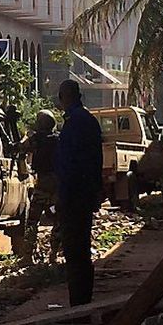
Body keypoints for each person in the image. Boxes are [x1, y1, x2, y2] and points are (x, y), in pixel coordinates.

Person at [55, 79, 103, 311]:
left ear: (64, 97)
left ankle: (79, 304)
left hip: (74, 196)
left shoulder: (75, 123)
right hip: (83, 195)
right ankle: (83, 300)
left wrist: (63, 196)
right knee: (81, 250)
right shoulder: (88, 121)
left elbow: (71, 166)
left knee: (75, 252)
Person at [18, 109, 61, 264]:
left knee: (33, 220)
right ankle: (53, 254)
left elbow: (20, 148)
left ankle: (28, 256)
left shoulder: (36, 139)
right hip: (58, 185)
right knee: (58, 220)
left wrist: (26, 135)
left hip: (42, 184)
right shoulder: (59, 139)